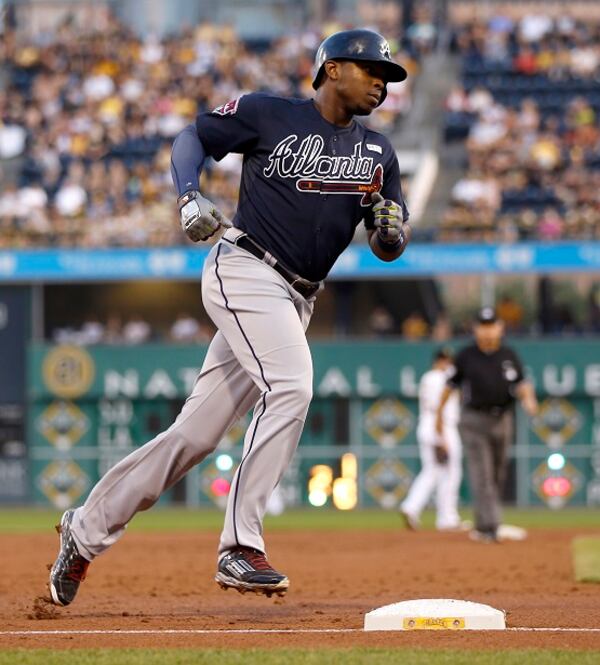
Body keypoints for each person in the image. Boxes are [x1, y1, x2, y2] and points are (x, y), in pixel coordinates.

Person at [48, 29, 411, 606]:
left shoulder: (379, 153)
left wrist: (392, 230)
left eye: (387, 78)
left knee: (192, 437)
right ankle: (240, 545)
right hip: (245, 268)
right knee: (291, 385)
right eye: (372, 71)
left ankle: (84, 531)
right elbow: (192, 136)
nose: (381, 84)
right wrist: (189, 195)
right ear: (333, 68)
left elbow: (388, 241)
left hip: (297, 298)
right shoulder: (269, 114)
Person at [435, 307, 538, 543]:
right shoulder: (466, 355)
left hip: (502, 418)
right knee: (482, 473)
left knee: (497, 473)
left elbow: (522, 383)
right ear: (475, 328)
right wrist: (439, 415)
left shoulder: (508, 354)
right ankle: (492, 526)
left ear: (500, 327)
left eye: (492, 325)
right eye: (483, 325)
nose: (488, 330)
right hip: (474, 419)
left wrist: (529, 400)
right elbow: (450, 386)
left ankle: (483, 525)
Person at [400, 348, 462, 531]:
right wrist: (441, 436)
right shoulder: (441, 377)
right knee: (451, 474)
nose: (449, 364)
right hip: (442, 427)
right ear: (442, 361)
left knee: (432, 471)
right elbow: (440, 407)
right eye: (448, 360)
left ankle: (411, 507)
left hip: (427, 426)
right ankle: (447, 517)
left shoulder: (428, 377)